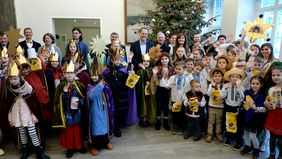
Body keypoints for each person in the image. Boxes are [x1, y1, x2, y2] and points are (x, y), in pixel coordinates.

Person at [7, 63, 50, 159]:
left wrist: (34, 115)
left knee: (32, 132)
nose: (12, 81)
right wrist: (10, 116)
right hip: (17, 115)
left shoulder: (28, 88)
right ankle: (25, 150)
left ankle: (39, 152)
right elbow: (9, 105)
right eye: (11, 79)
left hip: (28, 114)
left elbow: (34, 103)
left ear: (20, 78)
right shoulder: (10, 89)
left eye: (15, 78)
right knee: (22, 133)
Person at [53, 60, 87, 158]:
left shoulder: (79, 84)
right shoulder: (61, 85)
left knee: (78, 130)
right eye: (67, 73)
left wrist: (79, 102)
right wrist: (65, 93)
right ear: (64, 73)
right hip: (67, 112)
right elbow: (57, 100)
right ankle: (70, 148)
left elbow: (83, 97)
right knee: (69, 131)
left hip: (77, 112)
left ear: (74, 74)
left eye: (71, 73)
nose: (69, 75)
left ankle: (79, 146)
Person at [102, 49, 137, 137]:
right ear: (112, 60)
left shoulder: (123, 70)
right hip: (112, 95)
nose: (117, 61)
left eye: (118, 60)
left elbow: (129, 83)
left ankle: (121, 125)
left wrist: (131, 76)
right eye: (115, 60)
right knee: (115, 112)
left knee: (122, 111)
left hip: (122, 95)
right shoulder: (107, 72)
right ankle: (116, 128)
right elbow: (104, 83)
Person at [87, 74, 114, 156]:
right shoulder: (89, 86)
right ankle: (93, 146)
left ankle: (106, 141)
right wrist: (100, 85)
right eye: (92, 75)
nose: (94, 77)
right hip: (94, 111)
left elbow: (109, 96)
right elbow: (91, 96)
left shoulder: (105, 85)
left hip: (104, 110)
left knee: (105, 126)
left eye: (96, 75)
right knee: (96, 127)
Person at [240, 76, 267, 159]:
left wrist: (255, 108)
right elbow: (242, 100)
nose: (254, 85)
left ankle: (256, 149)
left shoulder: (262, 96)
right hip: (246, 115)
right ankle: (247, 146)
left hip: (256, 118)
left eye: (257, 84)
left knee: (252, 135)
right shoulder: (247, 92)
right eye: (253, 83)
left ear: (261, 85)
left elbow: (264, 109)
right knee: (246, 132)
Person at [220, 67, 246, 150]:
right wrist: (225, 88)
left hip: (238, 108)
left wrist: (238, 88)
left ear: (240, 79)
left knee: (238, 125)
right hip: (229, 107)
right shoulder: (227, 86)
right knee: (229, 123)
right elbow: (222, 96)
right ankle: (230, 138)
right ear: (230, 78)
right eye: (232, 77)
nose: (234, 78)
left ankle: (239, 141)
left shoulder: (242, 87)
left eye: (237, 77)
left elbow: (242, 98)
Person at [151, 52, 175, 131]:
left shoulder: (171, 69)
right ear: (160, 60)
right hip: (159, 88)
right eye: (162, 59)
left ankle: (165, 121)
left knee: (166, 106)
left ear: (169, 60)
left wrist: (171, 85)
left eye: (166, 59)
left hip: (167, 89)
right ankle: (158, 121)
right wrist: (154, 74)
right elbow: (154, 80)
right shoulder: (157, 68)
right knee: (159, 105)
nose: (164, 60)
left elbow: (174, 80)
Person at [264, 62, 282, 159]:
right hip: (273, 114)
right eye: (273, 75)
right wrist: (266, 103)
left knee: (280, 139)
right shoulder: (271, 89)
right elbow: (268, 101)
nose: (275, 77)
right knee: (272, 137)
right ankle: (271, 155)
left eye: (278, 75)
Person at [167, 62, 189, 135]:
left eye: (180, 69)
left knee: (182, 114)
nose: (178, 70)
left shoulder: (186, 79)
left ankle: (181, 127)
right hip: (174, 99)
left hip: (182, 100)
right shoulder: (172, 77)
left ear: (184, 69)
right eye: (176, 69)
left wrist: (183, 99)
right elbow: (167, 85)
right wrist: (170, 85)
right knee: (174, 113)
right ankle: (175, 125)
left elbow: (187, 90)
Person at [136, 53, 156, 127]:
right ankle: (142, 118)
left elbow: (153, 79)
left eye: (147, 61)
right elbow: (137, 81)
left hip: (149, 92)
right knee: (142, 104)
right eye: (144, 61)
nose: (146, 63)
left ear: (150, 63)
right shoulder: (139, 71)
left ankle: (148, 118)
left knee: (148, 104)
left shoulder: (151, 70)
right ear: (142, 62)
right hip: (142, 91)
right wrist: (143, 71)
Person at [206, 68, 225, 143]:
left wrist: (221, 99)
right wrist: (213, 86)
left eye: (219, 76)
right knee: (210, 121)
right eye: (215, 76)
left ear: (222, 77)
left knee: (219, 121)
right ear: (213, 77)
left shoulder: (224, 86)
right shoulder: (211, 85)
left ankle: (218, 134)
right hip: (211, 106)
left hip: (220, 107)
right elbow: (208, 94)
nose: (217, 77)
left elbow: (223, 95)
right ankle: (209, 134)